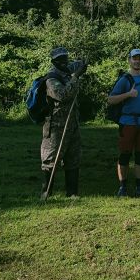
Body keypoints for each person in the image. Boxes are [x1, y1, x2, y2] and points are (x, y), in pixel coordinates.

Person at [107, 48, 140, 198]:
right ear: (129, 60)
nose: (137, 61)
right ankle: (122, 187)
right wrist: (128, 94)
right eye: (135, 58)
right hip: (128, 122)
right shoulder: (125, 80)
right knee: (125, 155)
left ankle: (139, 187)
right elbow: (110, 99)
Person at [40, 47, 86, 199]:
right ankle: (46, 193)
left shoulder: (67, 69)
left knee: (73, 157)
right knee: (51, 159)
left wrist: (82, 62)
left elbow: (78, 64)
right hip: (56, 125)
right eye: (60, 60)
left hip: (72, 123)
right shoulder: (51, 78)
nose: (64, 62)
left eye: (65, 58)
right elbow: (62, 95)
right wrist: (76, 77)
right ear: (54, 62)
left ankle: (72, 193)